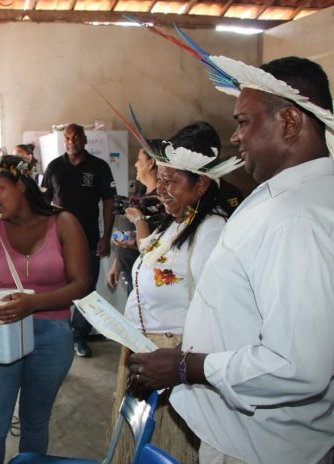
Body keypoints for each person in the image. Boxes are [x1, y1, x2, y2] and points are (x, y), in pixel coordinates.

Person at [127, 57, 334, 463]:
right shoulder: (286, 197)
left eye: (244, 122)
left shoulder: (298, 219)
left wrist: (187, 368)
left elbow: (296, 365)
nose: (236, 138)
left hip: (258, 448)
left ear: (289, 123)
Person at [0, 155, 89, 464]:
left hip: (53, 336)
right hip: (1, 334)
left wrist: (34, 303)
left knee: (35, 422)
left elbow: (80, 284)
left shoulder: (63, 223)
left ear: (21, 185)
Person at [110, 122, 242, 464]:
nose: (162, 189)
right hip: (147, 357)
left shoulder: (211, 231)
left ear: (201, 184)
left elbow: (213, 319)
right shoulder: (176, 223)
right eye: (162, 178)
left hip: (169, 365)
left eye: (173, 182)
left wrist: (170, 369)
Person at [42, 123, 116, 357]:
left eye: (76, 137)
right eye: (67, 137)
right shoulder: (54, 167)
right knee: (57, 288)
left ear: (84, 139)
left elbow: (109, 202)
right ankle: (59, 335)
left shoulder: (99, 167)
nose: (71, 141)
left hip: (90, 240)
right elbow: (42, 202)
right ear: (63, 141)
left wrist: (106, 236)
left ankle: (80, 337)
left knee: (87, 290)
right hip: (57, 242)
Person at [107, 140, 161, 294]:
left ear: (151, 163)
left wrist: (138, 219)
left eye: (139, 160)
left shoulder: (160, 201)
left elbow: (154, 243)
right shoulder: (143, 193)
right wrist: (117, 263)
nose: (136, 165)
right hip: (130, 270)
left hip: (146, 278)